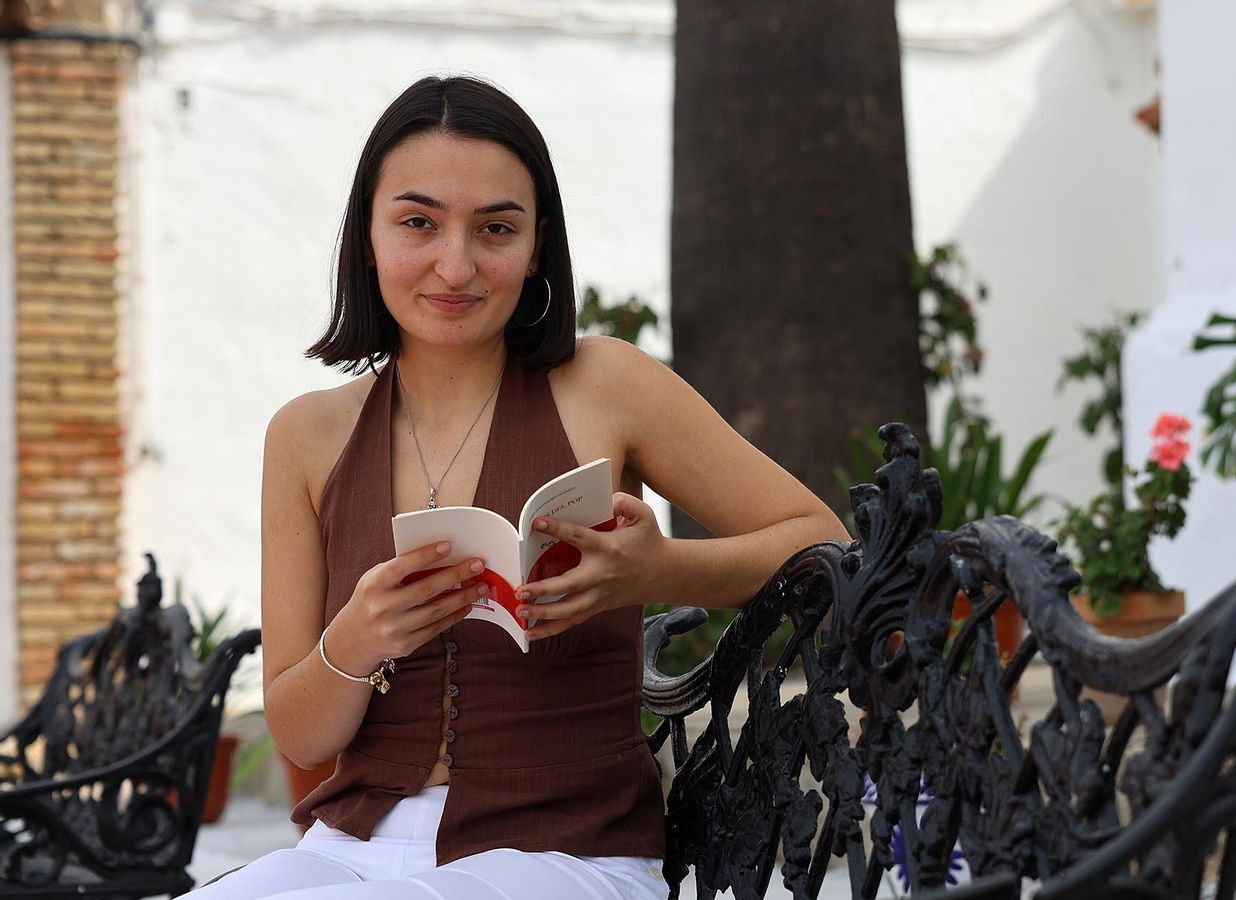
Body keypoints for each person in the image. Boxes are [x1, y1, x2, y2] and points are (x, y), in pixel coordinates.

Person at [191, 74, 849, 899]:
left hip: (567, 855)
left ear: (537, 244)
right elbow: (299, 736)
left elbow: (822, 540)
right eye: (418, 223)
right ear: (368, 234)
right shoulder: (305, 435)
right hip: (346, 852)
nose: (455, 264)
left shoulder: (608, 385)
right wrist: (357, 640)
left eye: (495, 228)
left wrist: (656, 572)